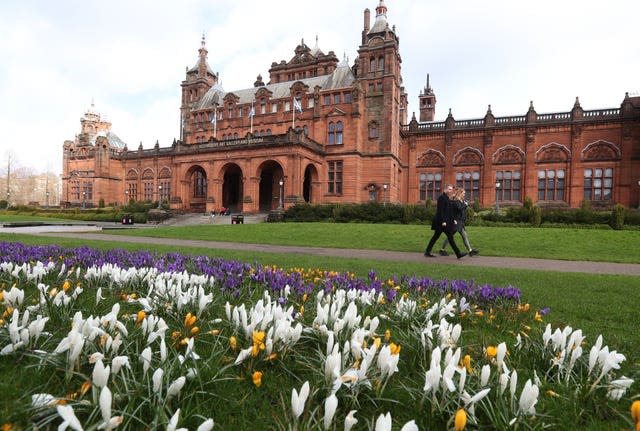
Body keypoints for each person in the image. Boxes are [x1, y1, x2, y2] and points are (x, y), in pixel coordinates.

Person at [424, 184, 467, 259]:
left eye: (451, 189)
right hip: (441, 222)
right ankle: (458, 253)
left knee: (437, 237)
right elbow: (440, 211)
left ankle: (427, 252)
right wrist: (443, 221)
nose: (450, 191)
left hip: (445, 222)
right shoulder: (441, 198)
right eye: (449, 189)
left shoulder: (447, 198)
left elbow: (449, 211)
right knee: (449, 237)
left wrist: (453, 219)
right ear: (445, 189)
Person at [438, 188, 479, 256]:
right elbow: (459, 208)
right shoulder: (456, 201)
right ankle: (442, 250)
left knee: (464, 235)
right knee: (450, 237)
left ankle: (470, 251)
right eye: (463, 193)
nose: (464, 194)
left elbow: (462, 209)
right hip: (455, 222)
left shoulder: (461, 201)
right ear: (460, 193)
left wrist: (464, 204)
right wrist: (465, 205)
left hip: (460, 222)